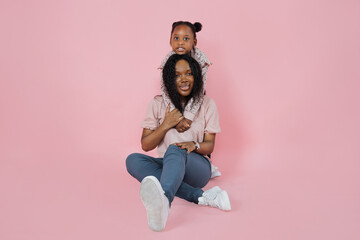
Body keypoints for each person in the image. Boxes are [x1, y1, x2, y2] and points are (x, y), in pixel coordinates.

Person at [126, 54, 231, 232]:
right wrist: (167, 123)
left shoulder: (207, 104)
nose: (184, 79)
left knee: (175, 149)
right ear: (169, 79)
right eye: (177, 75)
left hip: (197, 168)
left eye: (189, 74)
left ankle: (165, 200)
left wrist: (194, 145)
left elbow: (209, 145)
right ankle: (200, 196)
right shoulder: (157, 104)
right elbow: (146, 145)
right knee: (133, 160)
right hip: (170, 164)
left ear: (196, 77)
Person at [159, 21, 211, 133]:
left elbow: (200, 89)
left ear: (194, 42)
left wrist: (188, 117)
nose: (180, 43)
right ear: (170, 41)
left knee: (196, 112)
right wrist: (176, 118)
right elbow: (165, 89)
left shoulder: (201, 58)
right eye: (176, 38)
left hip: (195, 92)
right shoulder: (167, 61)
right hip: (175, 94)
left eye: (186, 39)